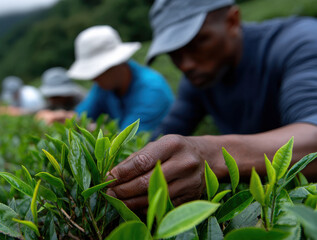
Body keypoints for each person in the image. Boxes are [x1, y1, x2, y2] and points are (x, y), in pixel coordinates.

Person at [106, 0, 317, 210]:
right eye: (174, 54)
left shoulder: (300, 42)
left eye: (199, 42)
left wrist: (212, 155)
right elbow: (167, 132)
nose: (185, 64)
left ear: (232, 21)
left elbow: (313, 138)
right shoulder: (200, 79)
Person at [37, 25, 175, 132]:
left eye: (97, 71)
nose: (93, 78)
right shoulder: (104, 86)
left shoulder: (151, 91)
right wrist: (59, 116)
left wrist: (89, 127)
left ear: (117, 62)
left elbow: (126, 142)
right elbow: (81, 116)